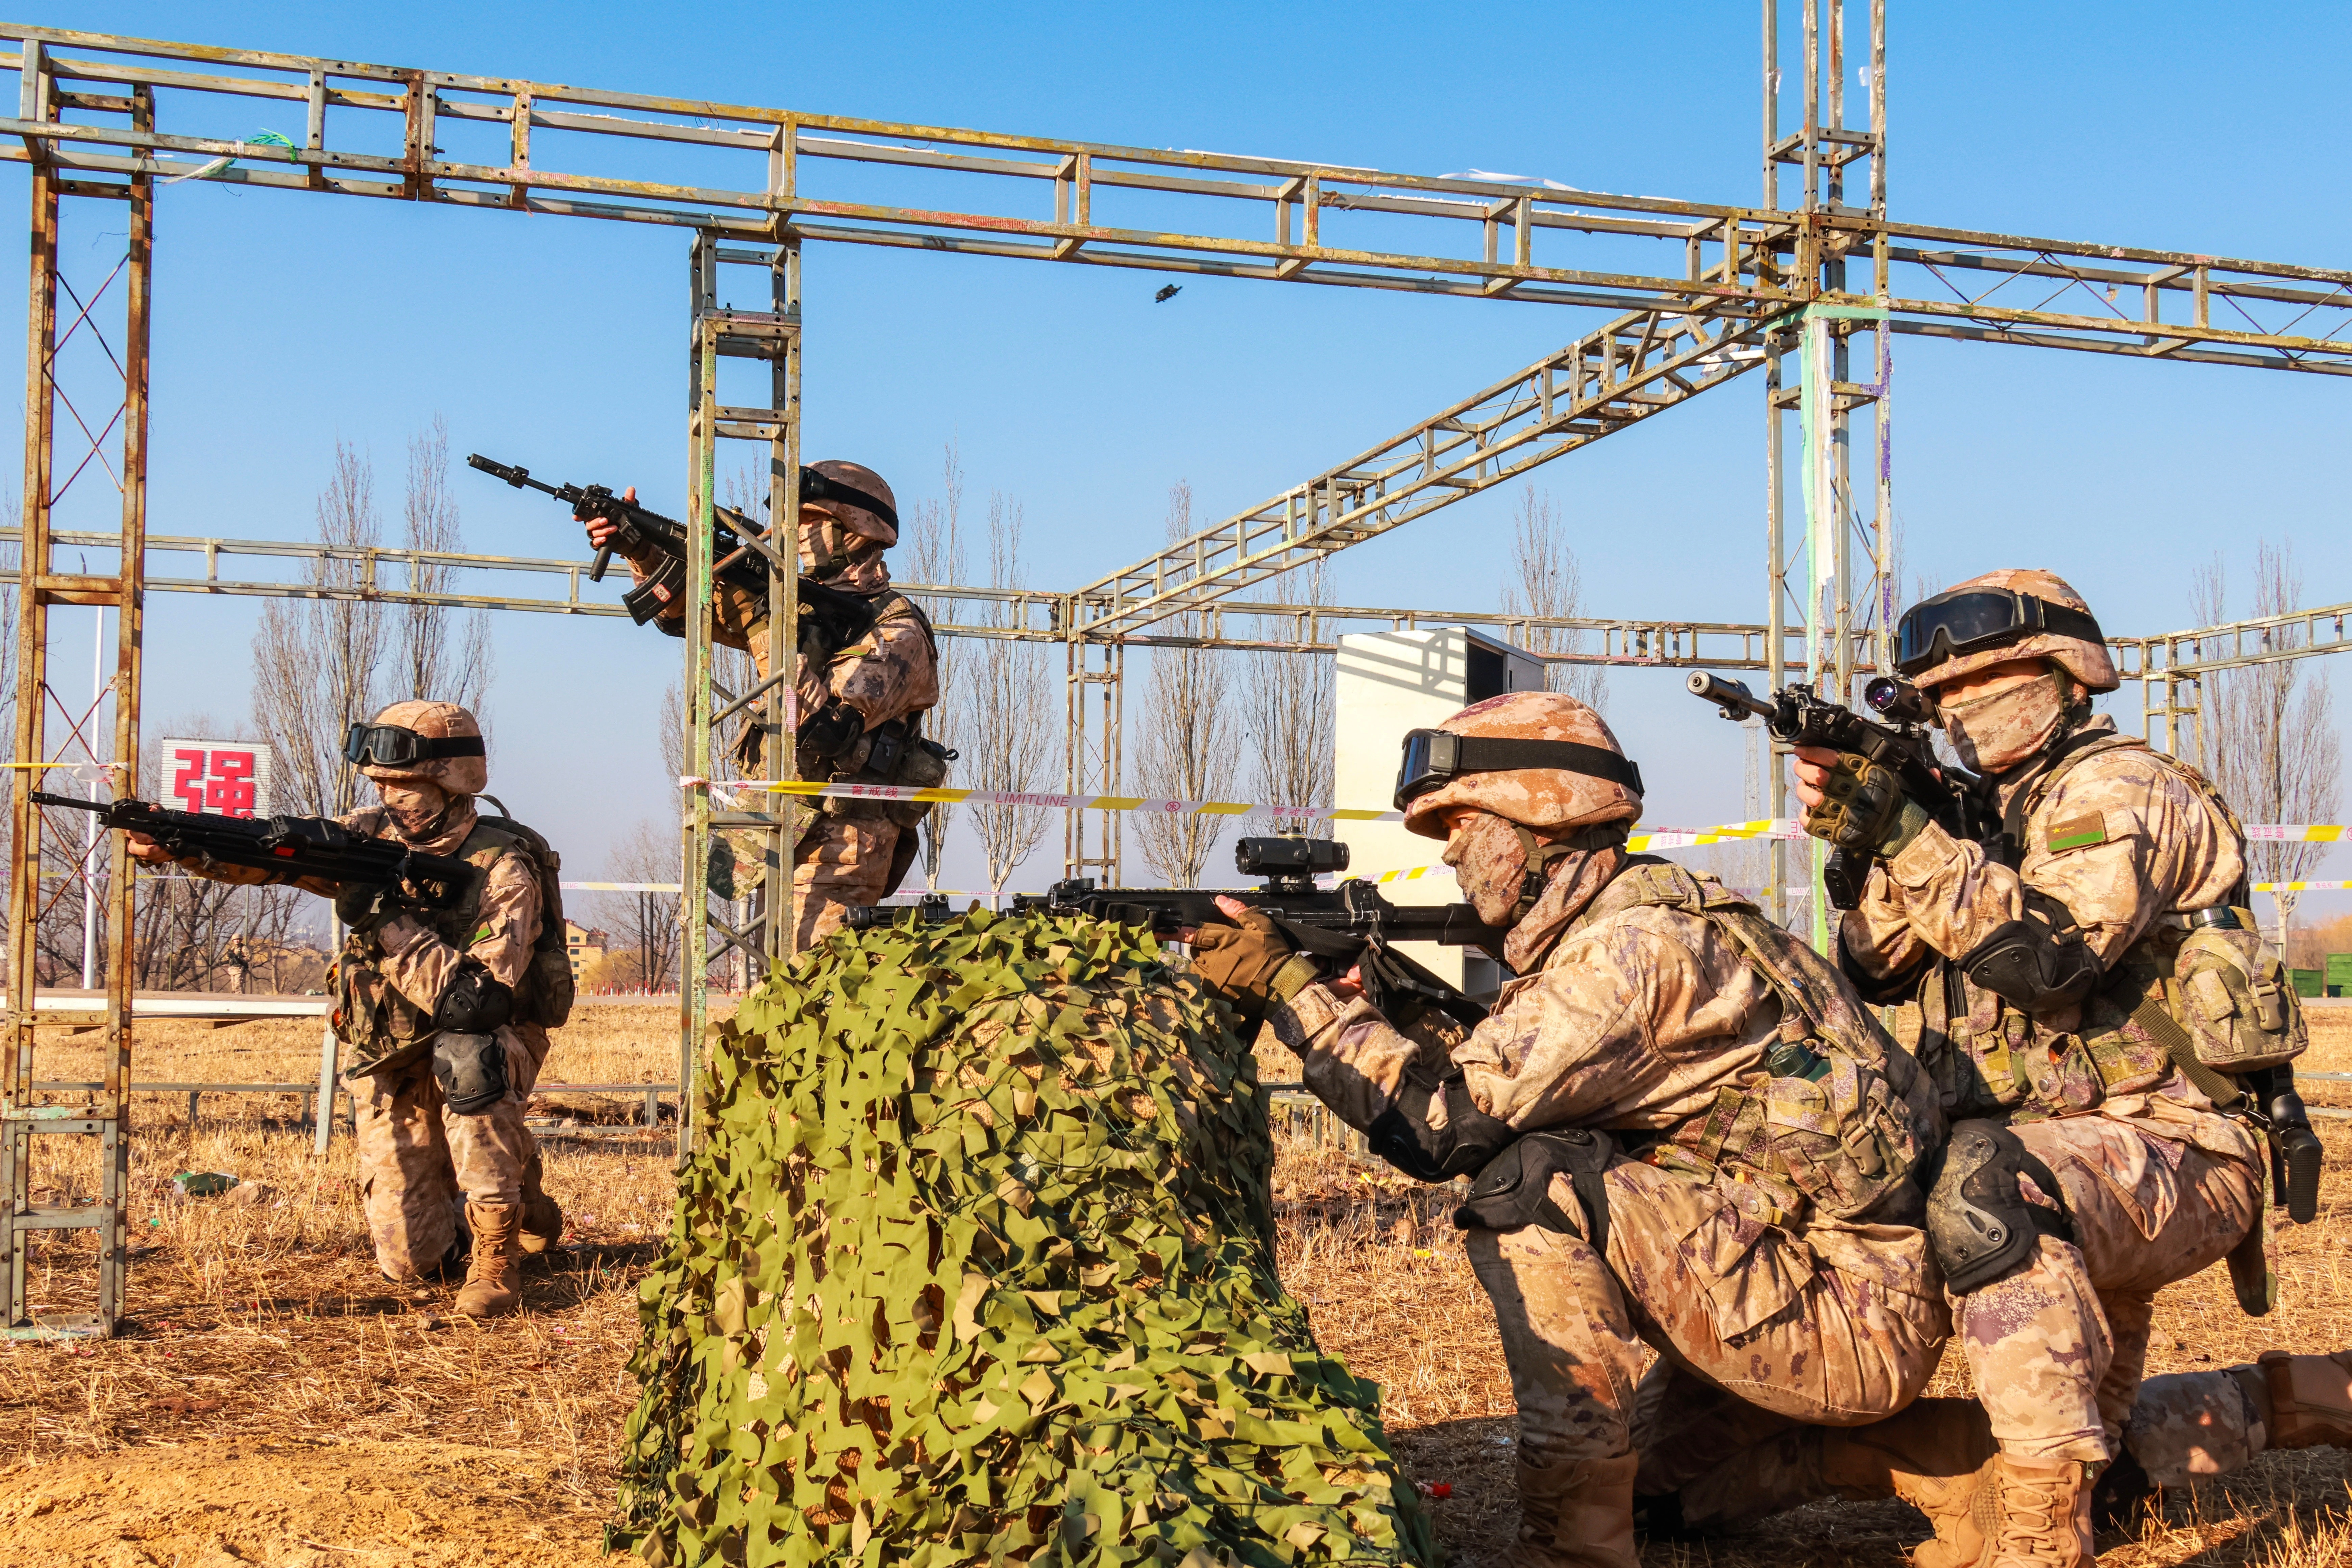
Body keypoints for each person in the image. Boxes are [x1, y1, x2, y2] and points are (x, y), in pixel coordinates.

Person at [1187, 691, 1954, 1568]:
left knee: (1533, 1182)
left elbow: (1444, 1127)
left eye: (1463, 831)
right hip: (1834, 1287)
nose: (1452, 860)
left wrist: (1294, 995)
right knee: (1656, 1495)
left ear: (1535, 824)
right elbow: (1513, 1065)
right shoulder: (1651, 919)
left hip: (1844, 1318)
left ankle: (1571, 1554)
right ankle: (1927, 1458)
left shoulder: (1633, 954)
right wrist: (1381, 997)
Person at [1787, 568, 2304, 1565]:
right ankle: (2307, 1395)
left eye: (1980, 683)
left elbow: (2045, 961)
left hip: (2177, 1145)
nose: (1952, 711)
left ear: (2068, 674)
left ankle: (2039, 1539)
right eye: (1936, 698)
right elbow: (1874, 967)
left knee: (1984, 1183)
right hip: (2063, 1148)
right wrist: (1887, 835)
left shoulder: (2118, 789)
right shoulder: (1985, 813)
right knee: (2117, 1473)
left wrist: (1910, 832)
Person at [129, 702, 570, 1317]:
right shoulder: (369, 836)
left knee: (472, 1059)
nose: (390, 797)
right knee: (412, 1263)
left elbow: (477, 1002)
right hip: (389, 1043)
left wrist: (383, 920)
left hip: (486, 1035)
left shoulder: (504, 866)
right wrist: (184, 844)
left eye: (405, 784)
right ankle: (522, 1183)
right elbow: (276, 853)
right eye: (382, 784)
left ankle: (497, 1252)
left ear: (453, 780)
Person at [580, 463, 942, 951]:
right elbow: (685, 610)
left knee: (812, 984)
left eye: (805, 525)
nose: (788, 538)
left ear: (854, 533)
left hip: (844, 842)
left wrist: (761, 622)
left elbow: (825, 730)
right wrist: (639, 547)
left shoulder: (898, 631)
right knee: (770, 993)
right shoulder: (797, 610)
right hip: (778, 824)